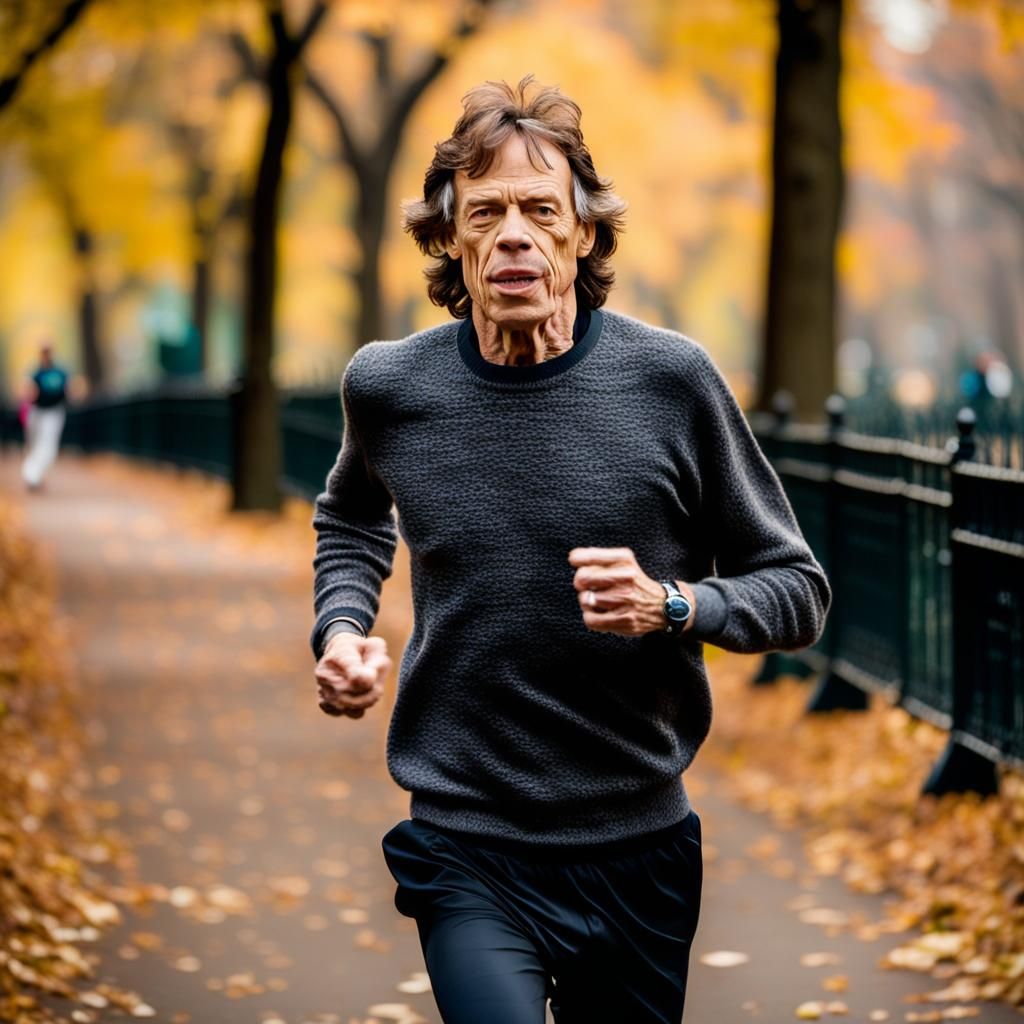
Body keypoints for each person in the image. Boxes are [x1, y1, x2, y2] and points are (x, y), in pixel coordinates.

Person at [310, 76, 831, 1024]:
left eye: (540, 210)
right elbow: (350, 518)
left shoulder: (670, 382)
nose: (513, 232)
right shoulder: (389, 387)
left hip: (637, 840)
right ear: (449, 237)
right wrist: (341, 629)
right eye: (486, 212)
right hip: (467, 835)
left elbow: (797, 589)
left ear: (581, 235)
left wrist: (674, 606)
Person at [21, 342, 70, 492]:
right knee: (36, 446)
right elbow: (27, 392)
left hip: (54, 413)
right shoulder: (35, 373)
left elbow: (70, 390)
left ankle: (32, 475)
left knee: (49, 448)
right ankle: (33, 476)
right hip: (37, 412)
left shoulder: (61, 372)